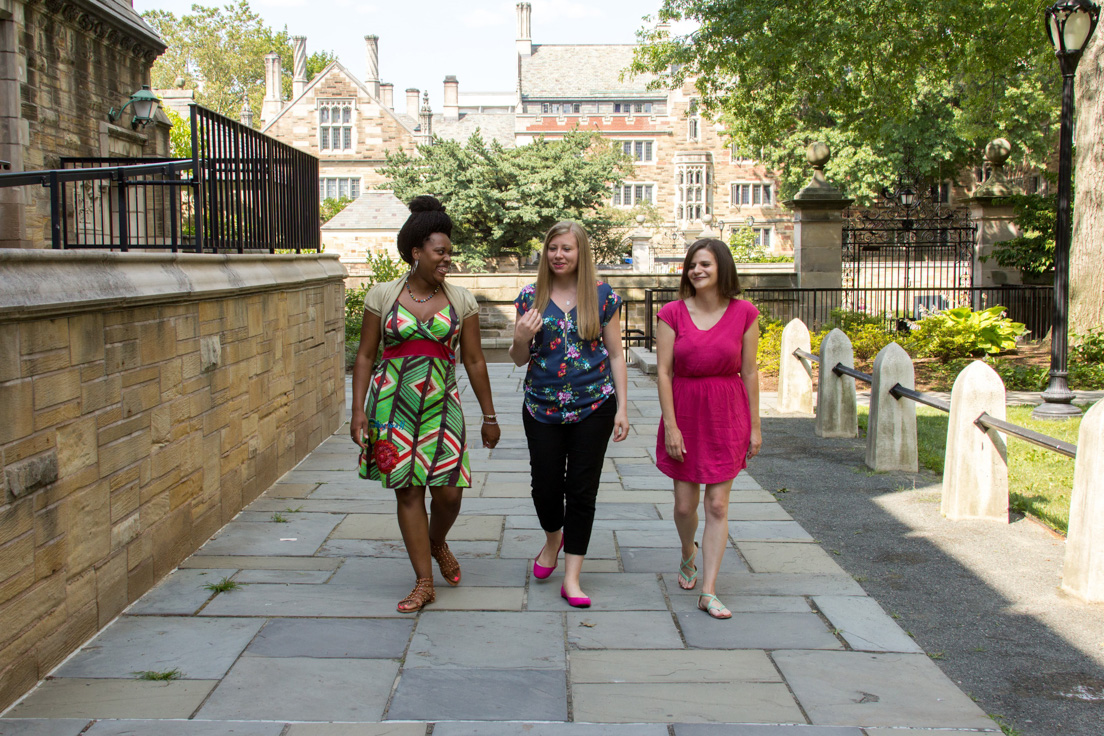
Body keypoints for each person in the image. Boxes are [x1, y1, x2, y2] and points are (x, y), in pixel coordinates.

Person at [350, 195, 500, 613]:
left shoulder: (460, 300)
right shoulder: (382, 296)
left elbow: (473, 359)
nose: (447, 258)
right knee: (408, 492)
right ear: (417, 253)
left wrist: (490, 416)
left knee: (449, 494)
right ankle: (423, 581)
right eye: (440, 251)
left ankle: (436, 541)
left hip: (442, 405)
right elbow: (365, 354)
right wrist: (358, 409)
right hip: (391, 406)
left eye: (449, 251)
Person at [509, 221, 629, 608]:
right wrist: (521, 339)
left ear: (581, 254)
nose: (559, 255)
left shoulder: (602, 297)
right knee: (545, 487)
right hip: (541, 406)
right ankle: (552, 539)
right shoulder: (530, 297)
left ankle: (572, 578)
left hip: (593, 406)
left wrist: (623, 408)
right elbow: (517, 360)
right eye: (553, 248)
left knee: (581, 492)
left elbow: (614, 355)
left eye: (567, 248)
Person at [655, 238, 761, 619]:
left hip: (726, 413)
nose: (696, 271)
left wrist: (755, 427)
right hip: (684, 411)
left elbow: (749, 371)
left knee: (717, 503)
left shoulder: (745, 313)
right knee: (685, 505)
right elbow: (664, 372)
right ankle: (688, 551)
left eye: (705, 265)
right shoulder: (672, 313)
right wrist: (671, 425)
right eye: (692, 265)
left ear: (722, 269)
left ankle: (709, 590)